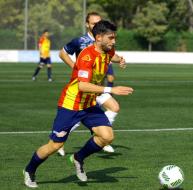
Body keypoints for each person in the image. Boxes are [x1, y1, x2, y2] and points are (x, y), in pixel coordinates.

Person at [23, 20, 134, 188]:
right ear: (98, 37)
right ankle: (29, 170)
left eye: (114, 38)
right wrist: (111, 90)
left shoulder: (109, 50)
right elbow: (82, 86)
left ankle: (78, 158)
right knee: (55, 145)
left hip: (89, 104)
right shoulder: (87, 56)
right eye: (110, 38)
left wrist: (121, 60)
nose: (114, 41)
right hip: (71, 105)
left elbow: (114, 56)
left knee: (107, 136)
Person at [58, 12, 116, 155]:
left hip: (97, 87)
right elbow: (62, 53)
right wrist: (75, 67)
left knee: (114, 107)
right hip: (84, 87)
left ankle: (101, 137)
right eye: (93, 23)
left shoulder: (105, 39)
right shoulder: (80, 41)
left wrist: (118, 59)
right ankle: (60, 140)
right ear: (87, 24)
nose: (96, 25)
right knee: (78, 116)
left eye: (98, 22)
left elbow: (110, 55)